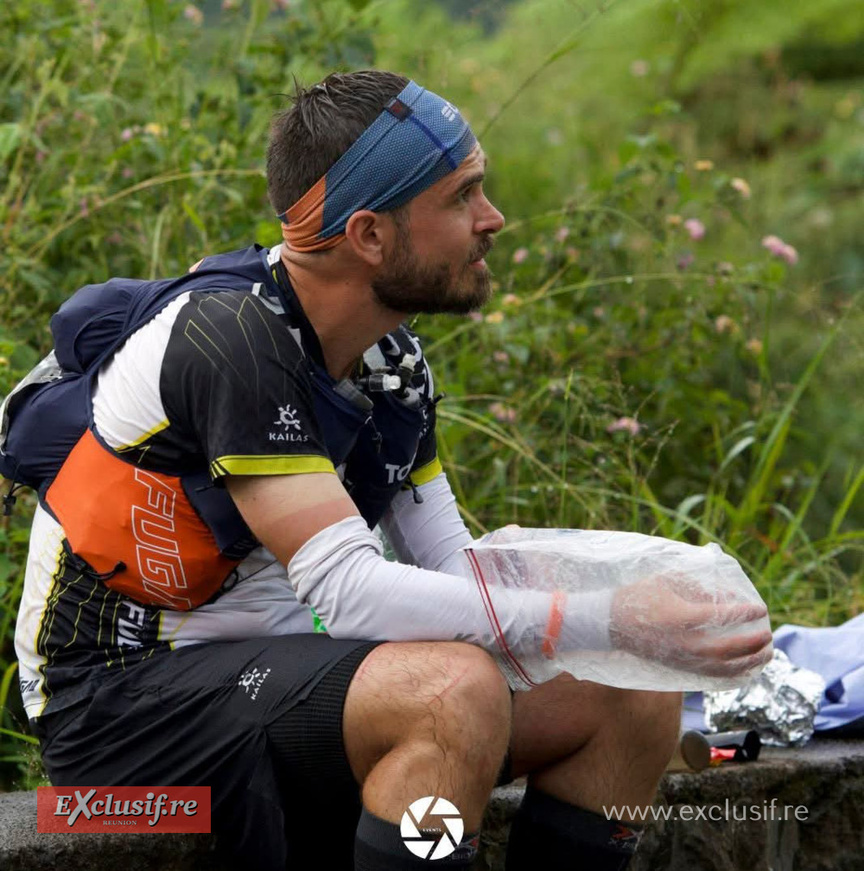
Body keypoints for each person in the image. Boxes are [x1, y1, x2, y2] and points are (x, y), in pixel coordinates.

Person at [13, 70, 773, 870]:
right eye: (462, 197)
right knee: (451, 694)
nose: (494, 219)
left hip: (291, 680)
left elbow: (453, 567)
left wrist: (636, 619)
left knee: (631, 685)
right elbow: (351, 588)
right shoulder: (228, 339)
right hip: (113, 712)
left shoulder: (392, 361)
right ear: (370, 235)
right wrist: (604, 615)